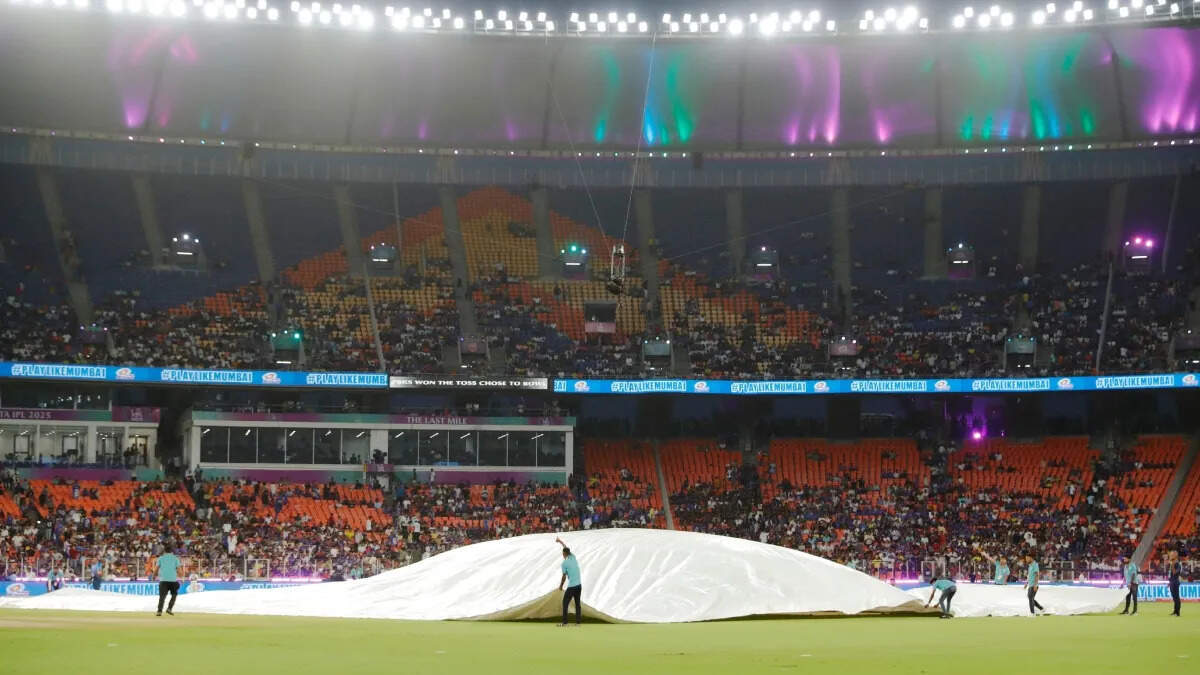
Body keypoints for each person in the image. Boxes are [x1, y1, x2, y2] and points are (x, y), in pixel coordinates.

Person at [555, 536, 582, 627]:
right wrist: (560, 542)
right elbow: (566, 548)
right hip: (579, 585)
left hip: (572, 586)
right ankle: (578, 623)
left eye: (563, 553)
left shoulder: (564, 563)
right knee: (577, 603)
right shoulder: (573, 557)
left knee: (565, 603)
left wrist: (561, 586)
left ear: (564, 554)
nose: (562, 555)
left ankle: (565, 622)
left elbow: (564, 577)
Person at [153, 544, 182, 617]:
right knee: (174, 595)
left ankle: (159, 611)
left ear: (164, 551)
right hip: (173, 580)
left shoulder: (161, 558)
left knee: (162, 597)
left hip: (163, 580)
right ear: (171, 551)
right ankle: (169, 608)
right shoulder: (175, 558)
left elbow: (156, 569)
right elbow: (179, 570)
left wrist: (154, 576)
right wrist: (181, 577)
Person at [1167, 551, 1183, 617]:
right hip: (1172, 582)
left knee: (1176, 597)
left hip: (1175, 582)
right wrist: (1169, 582)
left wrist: (1172, 565)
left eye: (1172, 555)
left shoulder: (1177, 564)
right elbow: (1171, 574)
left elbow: (1174, 573)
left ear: (1175, 556)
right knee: (1174, 597)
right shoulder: (1172, 563)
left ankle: (1178, 612)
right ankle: (1175, 611)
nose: (1170, 556)